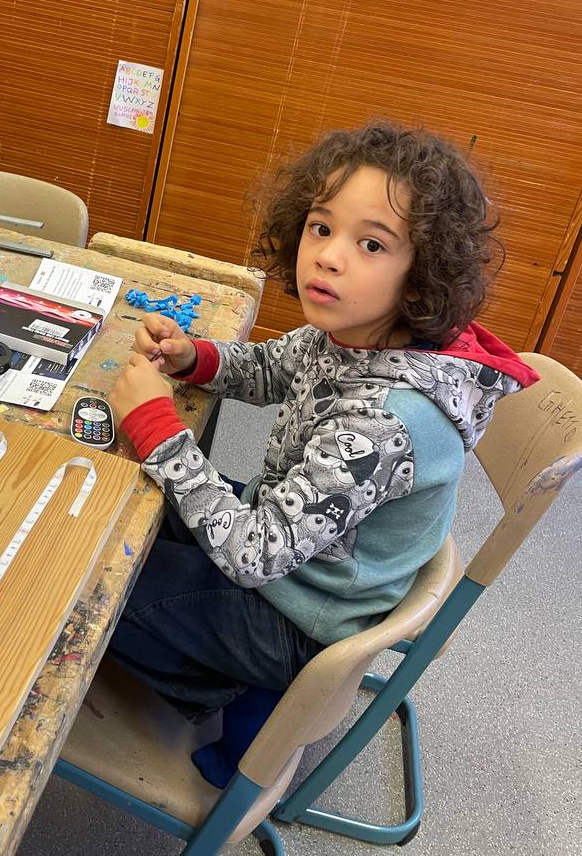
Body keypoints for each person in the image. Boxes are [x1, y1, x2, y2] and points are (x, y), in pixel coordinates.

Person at [107, 121, 539, 783]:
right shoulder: (352, 331)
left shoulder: (387, 423)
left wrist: (159, 430)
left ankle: (232, 695)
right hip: (292, 550)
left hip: (302, 617)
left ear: (422, 272)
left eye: (371, 243)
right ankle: (222, 671)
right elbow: (270, 369)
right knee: (129, 518)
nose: (329, 256)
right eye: (321, 227)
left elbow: (253, 554)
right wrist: (194, 358)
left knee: (92, 594)